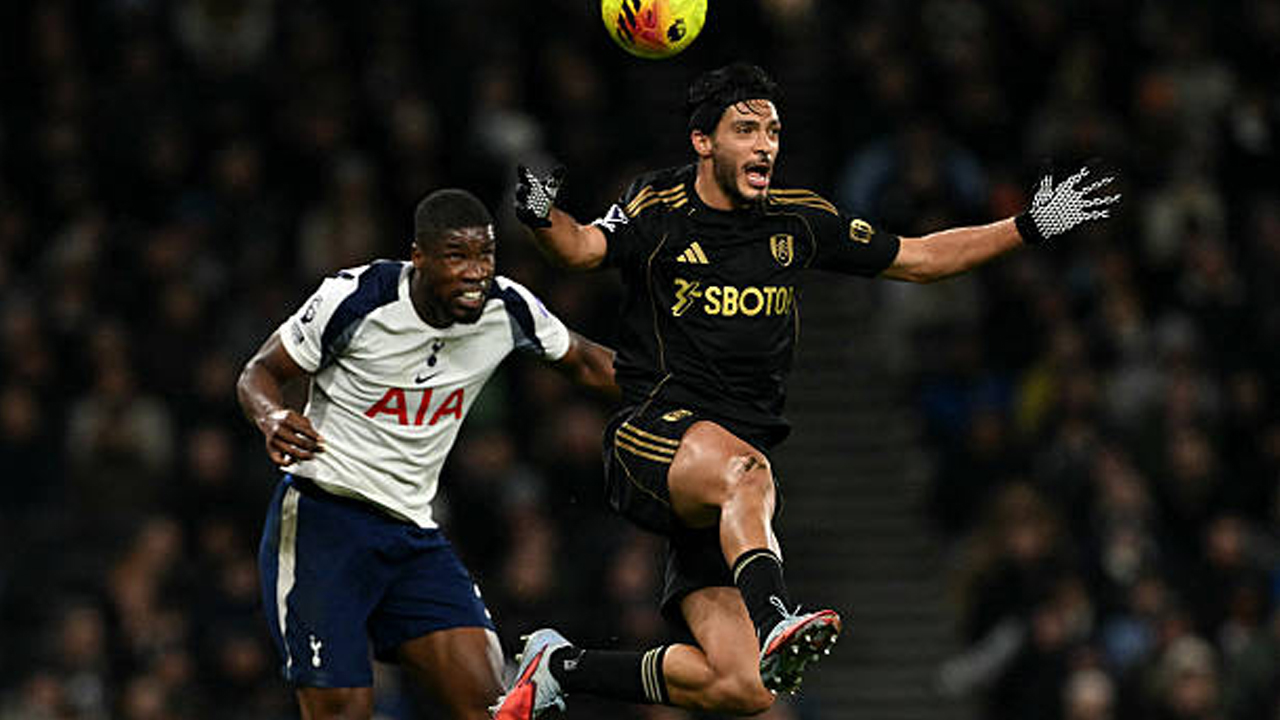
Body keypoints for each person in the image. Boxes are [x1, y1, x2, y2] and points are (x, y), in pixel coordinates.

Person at [492, 62, 1120, 718]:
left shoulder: (799, 221)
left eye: (773, 131)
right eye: (746, 129)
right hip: (653, 436)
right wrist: (540, 216)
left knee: (744, 688)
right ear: (703, 142)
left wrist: (1027, 225)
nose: (765, 144)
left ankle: (560, 666)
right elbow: (583, 249)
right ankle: (775, 618)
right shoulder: (659, 207)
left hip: (723, 484)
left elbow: (922, 258)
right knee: (746, 473)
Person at [236, 188, 618, 720]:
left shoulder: (507, 309)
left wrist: (684, 395)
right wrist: (270, 415)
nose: (475, 272)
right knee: (343, 709)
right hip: (324, 521)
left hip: (412, 535)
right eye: (457, 256)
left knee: (496, 706)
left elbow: (586, 361)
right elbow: (259, 372)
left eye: (484, 255)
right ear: (419, 257)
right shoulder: (357, 297)